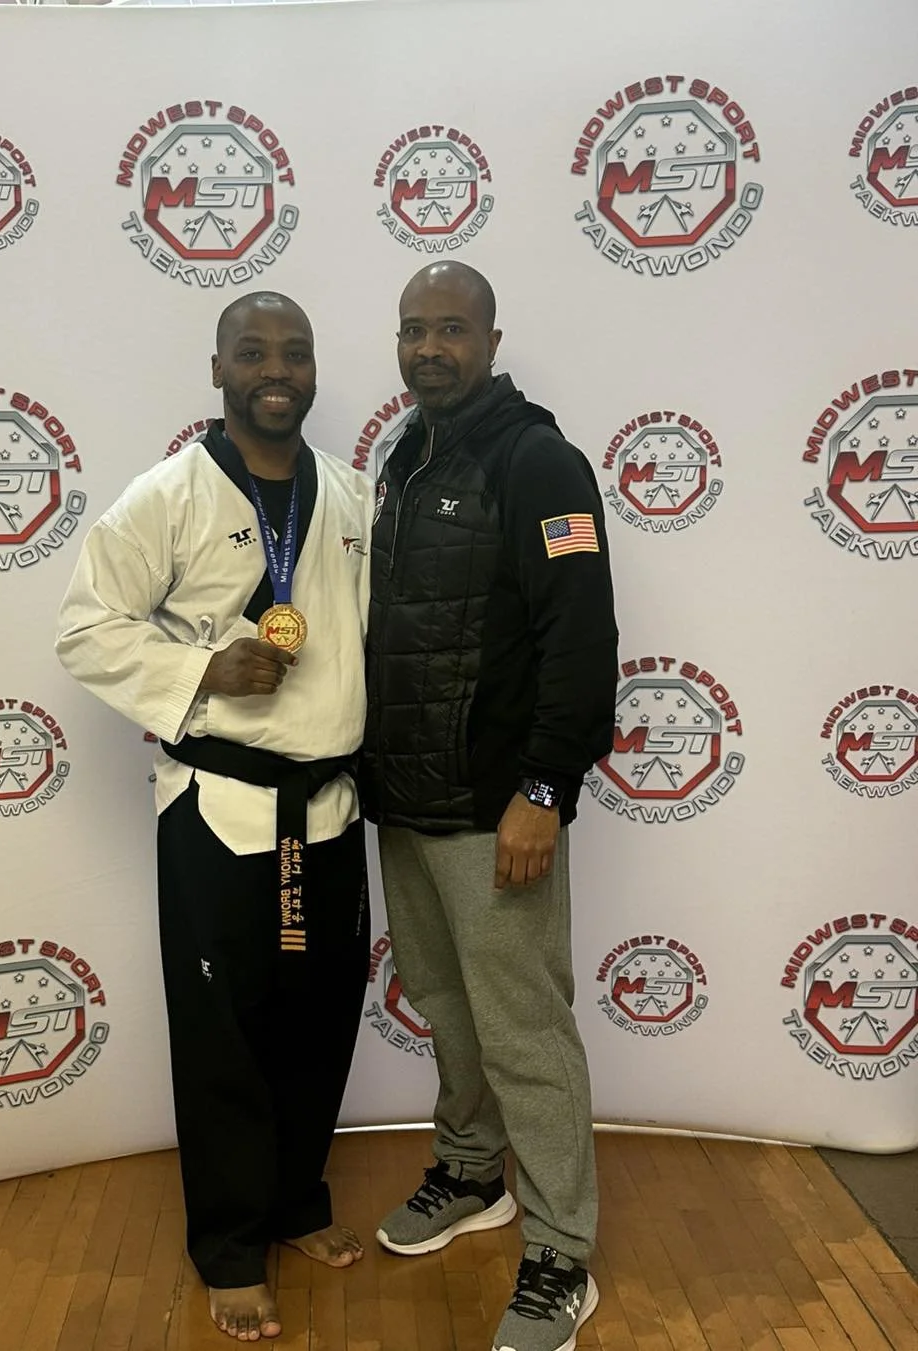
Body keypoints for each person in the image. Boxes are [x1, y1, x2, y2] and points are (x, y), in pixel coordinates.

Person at [56, 292, 373, 1343]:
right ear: (218, 369)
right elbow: (86, 626)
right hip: (221, 807)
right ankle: (232, 1246)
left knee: (323, 1014)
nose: (274, 370)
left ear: (315, 370)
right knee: (225, 1033)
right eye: (253, 353)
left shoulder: (353, 493)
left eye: (293, 353)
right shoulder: (169, 495)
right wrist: (199, 666)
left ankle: (294, 1204)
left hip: (326, 807)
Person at [362, 261, 618, 1351]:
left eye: (452, 329)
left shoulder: (540, 460)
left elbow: (582, 639)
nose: (431, 348)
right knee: (447, 1006)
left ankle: (562, 1246)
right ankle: (472, 1172)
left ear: (493, 339)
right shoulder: (401, 460)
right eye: (415, 330)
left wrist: (545, 790)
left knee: (524, 1029)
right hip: (407, 803)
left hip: (497, 809)